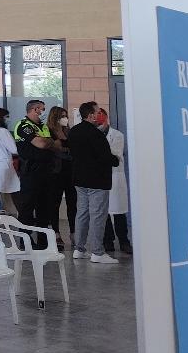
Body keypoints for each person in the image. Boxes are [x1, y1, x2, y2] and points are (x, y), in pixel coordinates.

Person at [68, 101, 119, 263]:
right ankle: (97, 252)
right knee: (98, 215)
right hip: (97, 180)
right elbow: (105, 156)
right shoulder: (96, 134)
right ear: (90, 115)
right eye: (97, 112)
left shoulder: (74, 131)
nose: (99, 115)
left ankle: (79, 249)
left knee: (82, 213)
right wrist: (116, 159)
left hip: (80, 179)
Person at [13, 99, 59, 245]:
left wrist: (48, 142)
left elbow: (57, 144)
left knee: (44, 208)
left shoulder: (43, 127)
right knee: (27, 208)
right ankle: (25, 241)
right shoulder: (23, 125)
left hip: (46, 172)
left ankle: (43, 241)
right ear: (34, 109)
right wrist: (48, 142)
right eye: (42, 109)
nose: (43, 112)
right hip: (30, 173)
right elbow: (42, 143)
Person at [99, 109, 132, 254]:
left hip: (115, 176)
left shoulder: (117, 135)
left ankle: (124, 241)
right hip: (100, 177)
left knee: (119, 211)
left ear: (106, 118)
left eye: (101, 117)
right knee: (103, 212)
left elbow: (114, 154)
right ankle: (108, 241)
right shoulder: (94, 134)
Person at [40, 106, 72, 247]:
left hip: (70, 171)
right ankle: (56, 232)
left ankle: (73, 232)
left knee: (72, 203)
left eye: (66, 116)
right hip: (55, 172)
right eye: (62, 116)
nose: (65, 119)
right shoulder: (48, 131)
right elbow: (53, 149)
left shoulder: (68, 131)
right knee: (54, 203)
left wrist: (63, 148)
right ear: (55, 117)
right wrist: (64, 149)